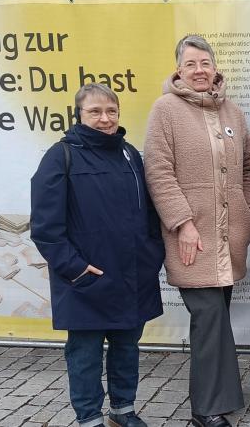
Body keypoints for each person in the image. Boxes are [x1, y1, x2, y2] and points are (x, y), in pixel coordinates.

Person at [31, 83, 165, 427]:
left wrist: (152, 255)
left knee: (127, 348)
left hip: (131, 275)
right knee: (85, 355)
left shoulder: (130, 154)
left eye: (111, 111)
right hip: (85, 280)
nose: (105, 119)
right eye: (95, 111)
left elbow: (150, 212)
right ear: (79, 114)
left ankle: (122, 412)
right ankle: (89, 417)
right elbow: (46, 228)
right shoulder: (60, 156)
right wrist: (75, 269)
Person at [144, 35, 250, 427]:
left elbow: (246, 166)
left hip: (230, 236)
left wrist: (249, 207)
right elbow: (158, 172)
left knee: (216, 318)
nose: (199, 70)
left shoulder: (233, 112)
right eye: (190, 64)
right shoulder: (165, 110)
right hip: (192, 238)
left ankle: (220, 396)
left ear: (215, 68)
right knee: (208, 318)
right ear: (179, 70)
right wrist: (182, 223)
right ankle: (206, 409)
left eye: (204, 63)